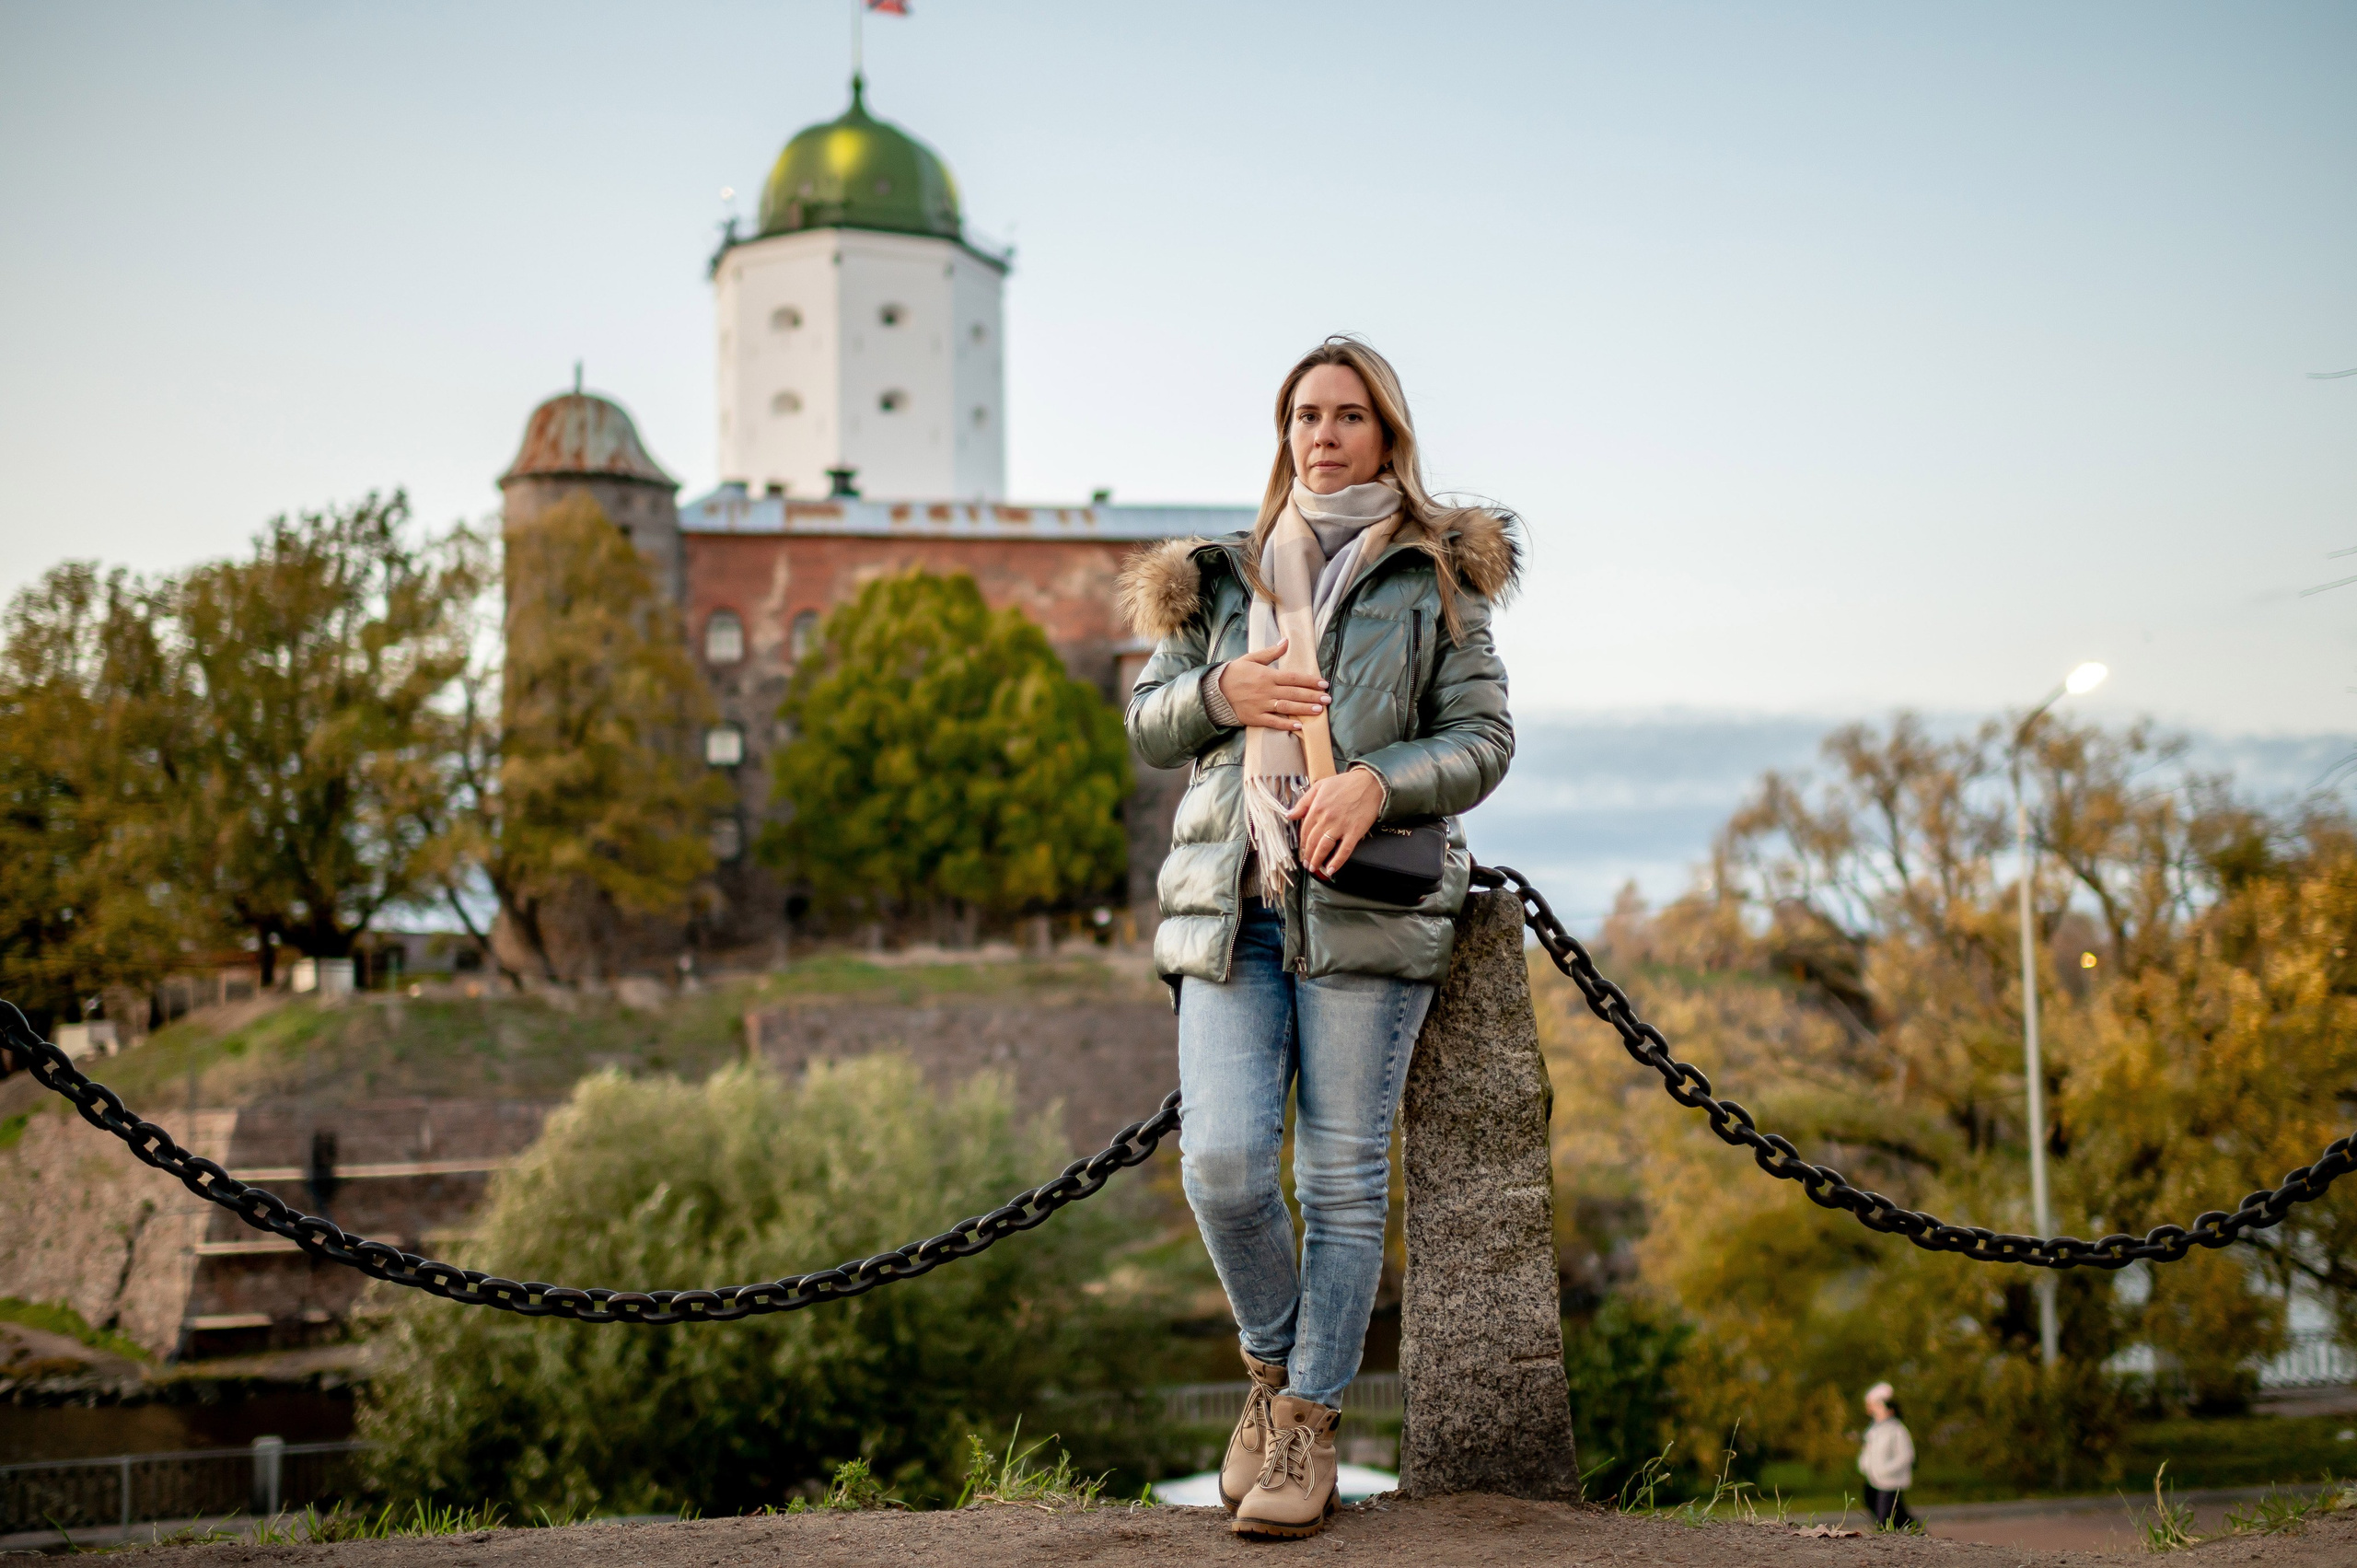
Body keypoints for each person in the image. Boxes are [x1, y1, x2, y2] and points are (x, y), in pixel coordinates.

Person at [1118, 337, 1517, 1539]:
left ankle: (1304, 1423)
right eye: (1304, 415)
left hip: (1368, 911)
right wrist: (1217, 697)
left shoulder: (1438, 578)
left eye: (1349, 416)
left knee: (1342, 1182)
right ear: (1281, 432)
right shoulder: (1221, 579)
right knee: (1226, 1166)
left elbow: (1484, 738)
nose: (1323, 435)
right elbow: (1147, 718)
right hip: (1234, 906)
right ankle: (1267, 1368)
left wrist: (1378, 783)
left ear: (1387, 436)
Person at [1858, 1381, 1917, 1530]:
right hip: (1874, 1479)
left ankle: (1892, 1536)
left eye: (1879, 1407)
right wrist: (1864, 1465)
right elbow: (1868, 1451)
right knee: (1896, 1513)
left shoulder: (1897, 1430)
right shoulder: (1874, 1431)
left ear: (1890, 1410)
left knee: (1886, 1514)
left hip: (1890, 1481)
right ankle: (1916, 1534)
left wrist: (1886, 1469)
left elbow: (1906, 1455)